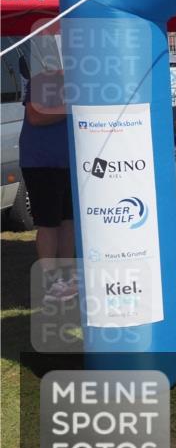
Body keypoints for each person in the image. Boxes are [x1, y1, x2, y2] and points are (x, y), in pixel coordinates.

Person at [19, 66, 77, 300]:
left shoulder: (84, 84)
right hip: (41, 162)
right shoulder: (43, 81)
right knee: (48, 223)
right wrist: (72, 108)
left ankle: (67, 278)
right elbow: (36, 116)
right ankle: (51, 282)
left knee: (68, 221)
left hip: (69, 162)